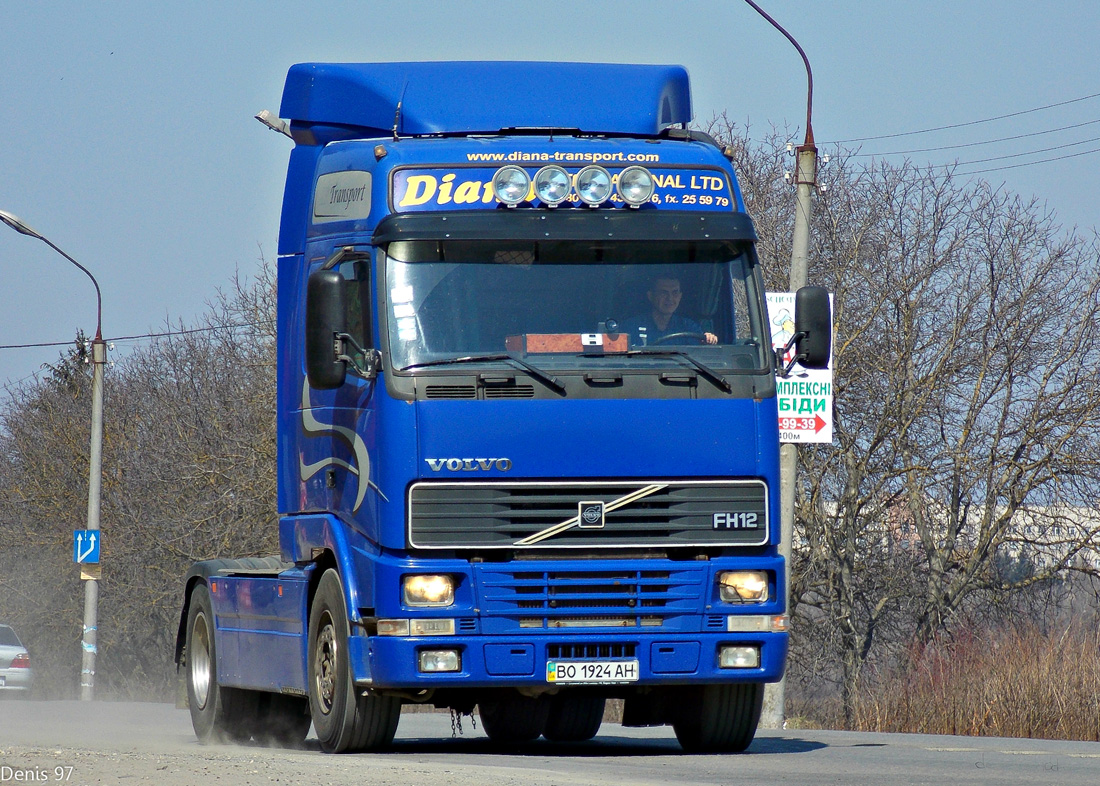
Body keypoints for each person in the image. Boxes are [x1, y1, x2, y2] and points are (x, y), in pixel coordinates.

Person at [621, 273, 718, 346]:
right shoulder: (630, 327)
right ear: (650, 296)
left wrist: (708, 340)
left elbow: (701, 355)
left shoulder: (689, 327)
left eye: (675, 292)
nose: (670, 298)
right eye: (664, 292)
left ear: (680, 296)